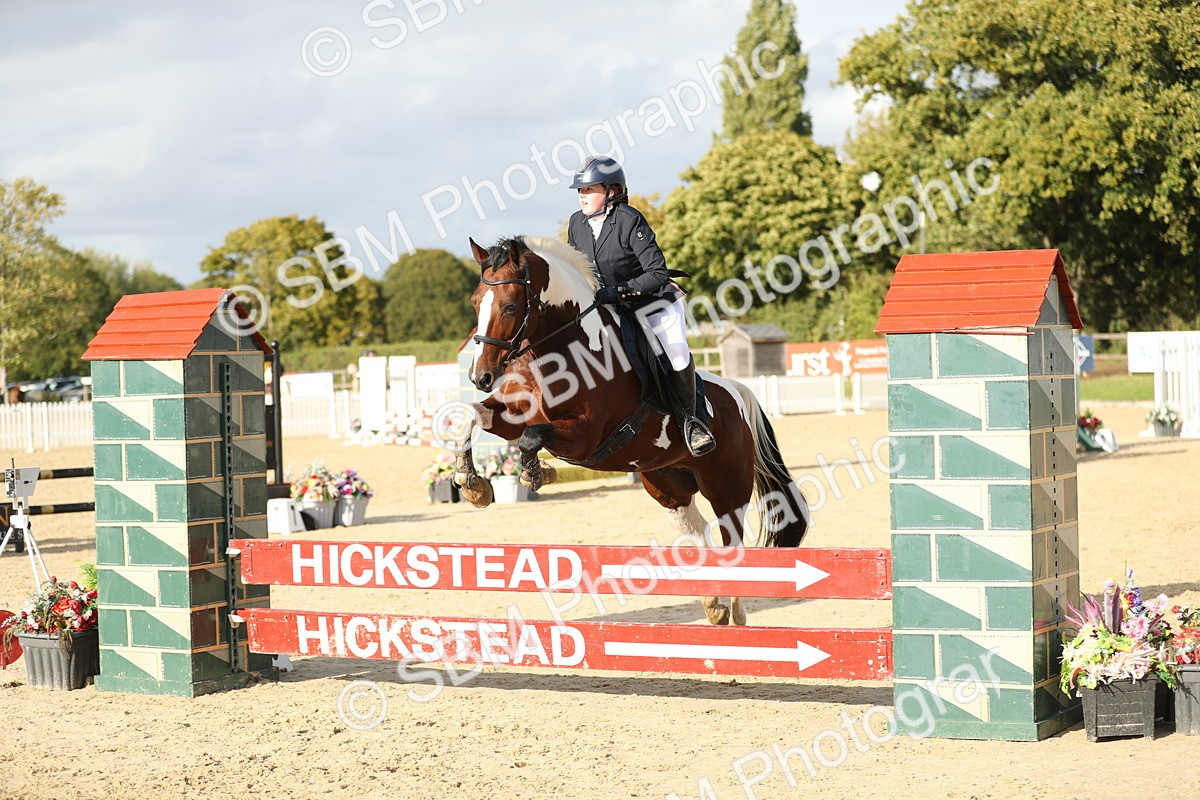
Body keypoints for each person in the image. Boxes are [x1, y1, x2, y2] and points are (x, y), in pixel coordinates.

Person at [566, 155, 715, 457]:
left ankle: (692, 421)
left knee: (674, 353)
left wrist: (619, 290)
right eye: (580, 191)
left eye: (589, 189)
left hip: (652, 302)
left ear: (611, 191)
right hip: (611, 306)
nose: (582, 196)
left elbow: (657, 272)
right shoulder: (576, 224)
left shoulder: (629, 219)